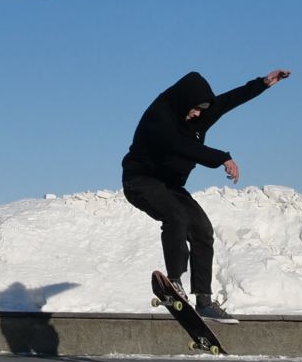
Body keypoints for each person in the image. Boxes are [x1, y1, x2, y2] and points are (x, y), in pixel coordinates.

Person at [121, 68, 291, 321]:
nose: (197, 114)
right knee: (176, 217)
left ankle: (204, 300)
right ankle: (174, 284)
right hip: (141, 181)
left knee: (202, 229)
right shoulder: (159, 117)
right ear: (183, 101)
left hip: (170, 186)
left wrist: (263, 84)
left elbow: (229, 100)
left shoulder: (198, 114)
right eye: (195, 108)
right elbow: (180, 146)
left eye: (202, 110)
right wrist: (222, 157)